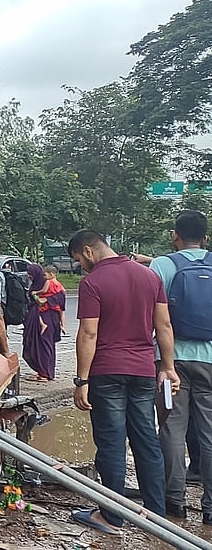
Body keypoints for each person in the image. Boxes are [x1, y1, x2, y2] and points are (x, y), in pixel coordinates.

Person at [67, 230, 180, 536]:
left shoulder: (93, 283)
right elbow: (164, 325)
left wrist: (82, 380)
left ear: (88, 251)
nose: (81, 267)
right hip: (143, 371)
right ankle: (155, 517)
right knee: (146, 441)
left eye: (79, 260)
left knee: (112, 444)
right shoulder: (148, 277)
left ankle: (112, 517)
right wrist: (168, 367)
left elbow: (89, 333)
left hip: (107, 373)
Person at [149, 209, 212, 524]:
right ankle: (211, 508)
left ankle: (174, 503)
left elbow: (153, 316)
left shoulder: (162, 265)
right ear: (206, 236)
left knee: (172, 427)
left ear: (175, 235)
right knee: (210, 433)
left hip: (169, 362)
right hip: (211, 364)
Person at [22, 264, 67, 381]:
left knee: (43, 344)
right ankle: (45, 371)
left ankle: (44, 373)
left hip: (46, 316)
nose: (28, 276)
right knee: (41, 344)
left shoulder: (48, 284)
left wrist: (40, 298)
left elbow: (58, 299)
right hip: (42, 315)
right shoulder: (41, 283)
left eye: (30, 273)